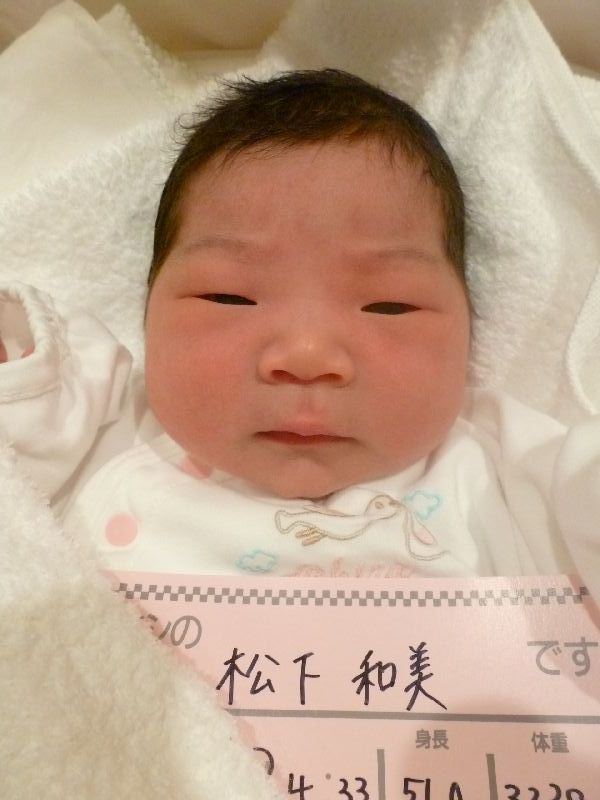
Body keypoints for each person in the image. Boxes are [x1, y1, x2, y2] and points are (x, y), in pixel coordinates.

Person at [0, 70, 596, 585]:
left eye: (387, 306)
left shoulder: (502, 470)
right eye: (229, 297)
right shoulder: (106, 427)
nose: (306, 355)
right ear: (147, 310)